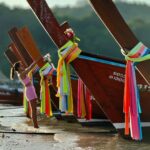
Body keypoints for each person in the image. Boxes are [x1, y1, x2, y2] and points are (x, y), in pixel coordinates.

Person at [10, 61, 39, 128]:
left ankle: (36, 125)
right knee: (34, 109)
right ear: (18, 68)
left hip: (31, 89)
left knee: (34, 109)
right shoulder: (21, 74)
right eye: (21, 65)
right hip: (29, 90)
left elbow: (32, 69)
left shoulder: (22, 73)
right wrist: (36, 60)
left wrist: (37, 63)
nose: (23, 66)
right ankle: (36, 126)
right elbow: (30, 67)